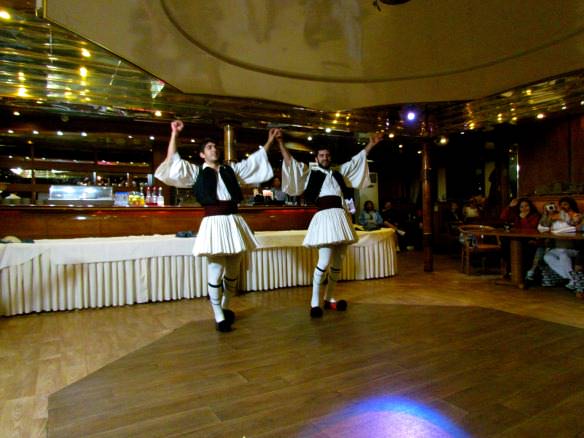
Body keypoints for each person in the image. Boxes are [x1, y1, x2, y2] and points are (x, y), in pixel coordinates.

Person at [155, 120, 275, 332]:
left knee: (233, 270)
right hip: (213, 222)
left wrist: (270, 141)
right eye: (209, 147)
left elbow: (254, 163)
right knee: (216, 269)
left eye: (215, 146)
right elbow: (173, 162)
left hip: (233, 221)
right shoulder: (196, 172)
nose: (214, 149)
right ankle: (218, 315)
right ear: (202, 154)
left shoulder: (230, 170)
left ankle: (226, 307)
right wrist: (174, 133)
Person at [277, 129, 383, 317]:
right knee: (323, 261)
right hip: (324, 219)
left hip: (340, 218)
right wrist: (280, 143)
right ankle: (314, 303)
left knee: (337, 263)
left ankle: (329, 298)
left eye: (327, 155)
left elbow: (356, 161)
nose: (325, 158)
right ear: (316, 158)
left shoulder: (338, 173)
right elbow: (290, 164)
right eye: (321, 155)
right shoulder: (311, 173)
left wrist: (372, 144)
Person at [542, 196, 582, 290]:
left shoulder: (576, 215)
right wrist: (547, 214)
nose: (563, 206)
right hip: (557, 247)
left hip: (572, 248)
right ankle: (572, 279)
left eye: (565, 204)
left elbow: (575, 224)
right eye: (561, 205)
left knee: (564, 255)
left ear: (571, 205)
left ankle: (572, 280)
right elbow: (543, 227)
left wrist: (565, 217)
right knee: (547, 256)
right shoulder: (555, 216)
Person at [499, 197, 540, 278]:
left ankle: (522, 273)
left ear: (530, 206)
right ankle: (511, 271)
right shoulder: (517, 215)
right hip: (517, 239)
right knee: (505, 245)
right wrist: (509, 207)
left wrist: (524, 218)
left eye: (526, 206)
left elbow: (530, 229)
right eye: (522, 207)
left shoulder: (535, 216)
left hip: (530, 239)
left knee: (524, 249)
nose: (524, 208)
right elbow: (503, 217)